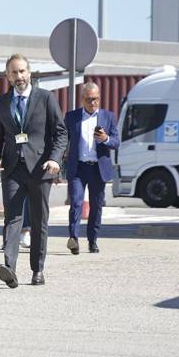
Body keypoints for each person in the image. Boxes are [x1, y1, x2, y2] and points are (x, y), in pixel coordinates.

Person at [0, 54, 67, 288]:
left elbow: (61, 133)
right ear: (7, 76)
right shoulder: (2, 102)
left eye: (22, 71)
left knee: (38, 220)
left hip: (40, 169)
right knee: (12, 218)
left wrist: (55, 159)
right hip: (13, 168)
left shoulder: (45, 98)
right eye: (14, 72)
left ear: (29, 73)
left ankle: (38, 269)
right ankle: (9, 269)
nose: (19, 76)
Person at [64, 82, 120, 254]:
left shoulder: (108, 117)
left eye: (95, 99)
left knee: (96, 206)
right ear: (82, 100)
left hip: (98, 168)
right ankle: (73, 238)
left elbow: (116, 142)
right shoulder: (71, 117)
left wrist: (105, 139)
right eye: (89, 99)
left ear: (99, 98)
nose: (92, 103)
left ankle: (92, 240)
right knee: (76, 202)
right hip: (78, 168)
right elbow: (62, 140)